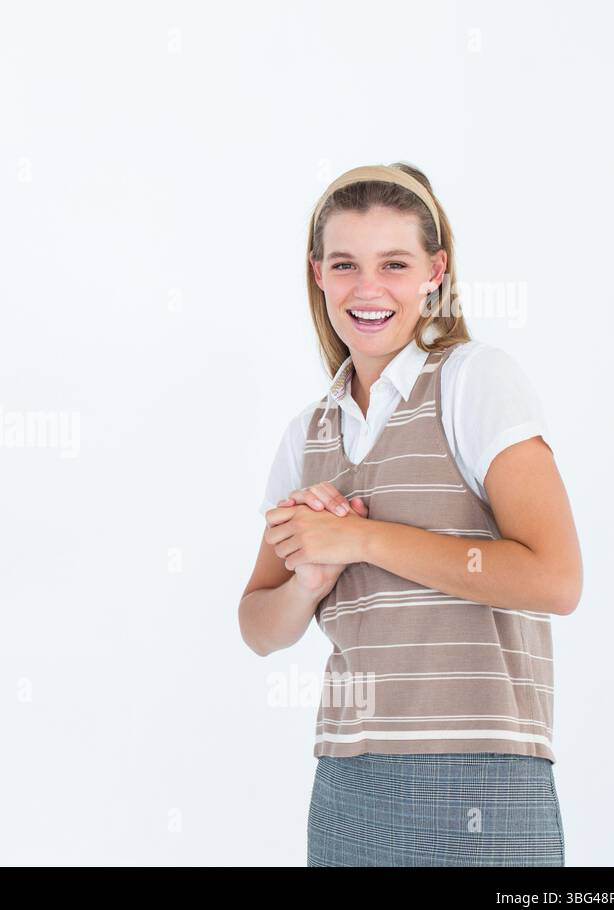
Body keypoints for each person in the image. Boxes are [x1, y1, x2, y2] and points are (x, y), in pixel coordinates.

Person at [237, 163, 582, 866]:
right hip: (346, 788)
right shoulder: (308, 432)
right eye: (344, 264)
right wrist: (312, 577)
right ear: (318, 275)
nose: (368, 289)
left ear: (436, 271)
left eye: (394, 263)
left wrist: (362, 537)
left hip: (483, 782)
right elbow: (257, 627)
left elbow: (555, 579)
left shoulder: (475, 381)